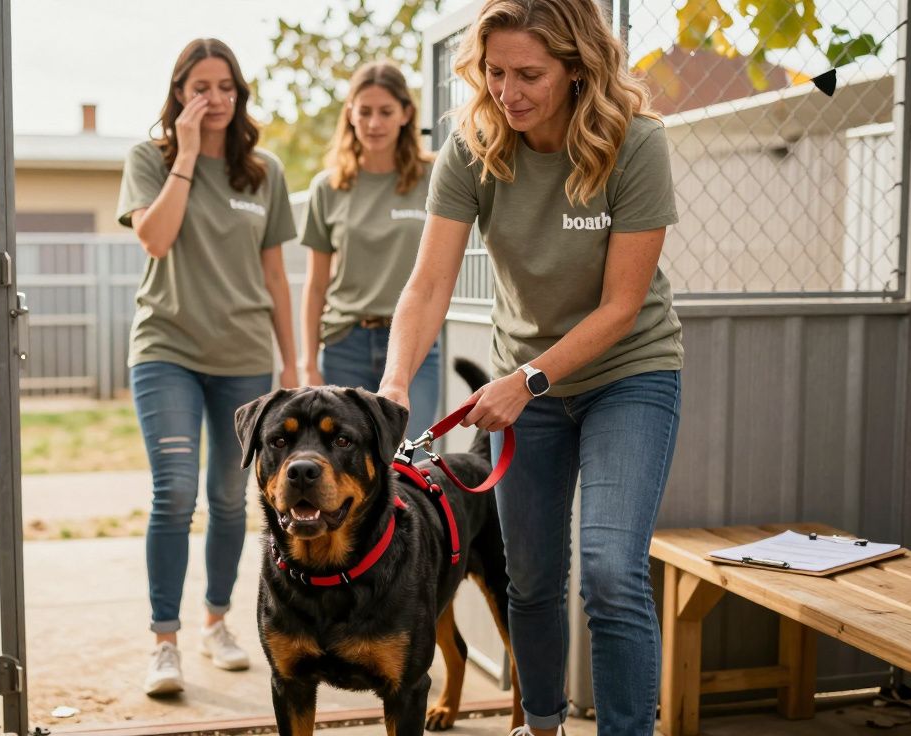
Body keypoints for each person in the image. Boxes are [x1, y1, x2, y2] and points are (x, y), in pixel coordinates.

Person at [377, 1, 683, 734]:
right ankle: (539, 725)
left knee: (611, 572)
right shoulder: (475, 147)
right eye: (495, 72)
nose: (508, 91)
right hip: (527, 387)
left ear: (577, 70)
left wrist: (524, 381)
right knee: (533, 579)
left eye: (529, 74)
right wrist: (391, 389)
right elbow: (427, 286)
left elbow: (620, 308)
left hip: (628, 375)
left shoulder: (635, 144)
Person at [116, 37, 299, 697]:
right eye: (200, 87)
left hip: (244, 357)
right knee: (175, 494)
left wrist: (294, 360)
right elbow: (154, 238)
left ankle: (216, 622)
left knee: (231, 499)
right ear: (179, 94)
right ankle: (163, 642)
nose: (214, 98)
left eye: (225, 86)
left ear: (239, 94)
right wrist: (188, 157)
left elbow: (276, 274)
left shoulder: (265, 172)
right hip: (166, 348)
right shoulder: (150, 160)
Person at [298, 61, 439, 442]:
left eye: (385, 112)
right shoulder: (328, 188)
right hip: (346, 343)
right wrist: (309, 363)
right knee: (344, 464)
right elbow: (315, 287)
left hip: (414, 344)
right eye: (364, 112)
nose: (374, 123)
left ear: (406, 114)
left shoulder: (435, 176)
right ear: (350, 114)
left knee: (411, 458)